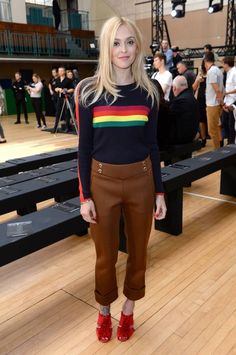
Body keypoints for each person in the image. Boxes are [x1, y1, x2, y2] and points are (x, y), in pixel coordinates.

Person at [76, 16, 167, 343]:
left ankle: (128, 309)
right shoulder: (88, 92)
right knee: (105, 255)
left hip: (142, 180)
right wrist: (85, 197)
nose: (124, 49)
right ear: (106, 47)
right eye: (116, 42)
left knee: (139, 252)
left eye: (129, 41)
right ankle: (104, 311)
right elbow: (84, 148)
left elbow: (153, 145)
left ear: (138, 46)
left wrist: (159, 190)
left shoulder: (150, 92)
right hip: (102, 183)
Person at [169, 76, 200, 145]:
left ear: (174, 88)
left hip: (182, 140)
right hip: (192, 135)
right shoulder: (192, 98)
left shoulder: (179, 101)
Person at [204, 52, 224, 149]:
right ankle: (219, 149)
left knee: (212, 130)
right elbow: (220, 88)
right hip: (215, 103)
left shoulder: (211, 71)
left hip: (213, 104)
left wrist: (221, 102)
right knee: (216, 128)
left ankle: (217, 152)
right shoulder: (217, 70)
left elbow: (217, 89)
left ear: (205, 61)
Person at [53, 66, 74, 133]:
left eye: (61, 71)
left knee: (67, 112)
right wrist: (58, 89)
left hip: (66, 98)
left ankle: (67, 127)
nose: (60, 72)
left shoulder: (68, 80)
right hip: (59, 98)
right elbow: (55, 88)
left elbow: (72, 89)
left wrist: (66, 91)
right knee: (58, 113)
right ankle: (55, 127)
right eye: (59, 71)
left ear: (64, 71)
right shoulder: (57, 79)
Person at [192, 60, 208, 147]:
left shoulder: (212, 72)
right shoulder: (200, 73)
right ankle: (203, 138)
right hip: (200, 99)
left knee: (210, 119)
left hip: (210, 99)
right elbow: (193, 87)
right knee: (201, 120)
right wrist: (198, 80)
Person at [222, 56, 236, 144]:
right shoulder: (228, 73)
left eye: (223, 64)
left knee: (232, 125)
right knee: (225, 123)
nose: (222, 66)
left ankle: (231, 144)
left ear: (227, 64)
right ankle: (229, 141)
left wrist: (227, 93)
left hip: (233, 103)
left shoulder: (235, 72)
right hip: (227, 102)